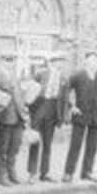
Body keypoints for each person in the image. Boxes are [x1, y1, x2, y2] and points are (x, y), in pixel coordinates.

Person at [62, 49, 97, 183]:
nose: (94, 63)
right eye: (91, 60)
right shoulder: (78, 75)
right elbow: (65, 90)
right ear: (86, 61)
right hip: (80, 115)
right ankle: (68, 173)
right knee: (75, 145)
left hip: (96, 117)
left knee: (92, 146)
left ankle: (87, 172)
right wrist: (71, 106)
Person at [27, 51, 66, 184]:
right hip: (38, 111)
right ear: (51, 62)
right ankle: (32, 173)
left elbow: (64, 99)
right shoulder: (40, 73)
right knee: (35, 142)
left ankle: (44, 173)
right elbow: (30, 91)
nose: (59, 64)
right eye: (57, 61)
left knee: (48, 145)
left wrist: (61, 117)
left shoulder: (63, 78)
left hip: (52, 114)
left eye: (61, 61)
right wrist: (31, 112)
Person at [0, 49, 29, 186]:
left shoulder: (17, 76)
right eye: (7, 60)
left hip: (19, 117)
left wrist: (25, 112)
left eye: (12, 60)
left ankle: (11, 172)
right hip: (5, 116)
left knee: (15, 147)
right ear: (1, 61)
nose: (10, 63)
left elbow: (21, 96)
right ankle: (2, 176)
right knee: (3, 147)